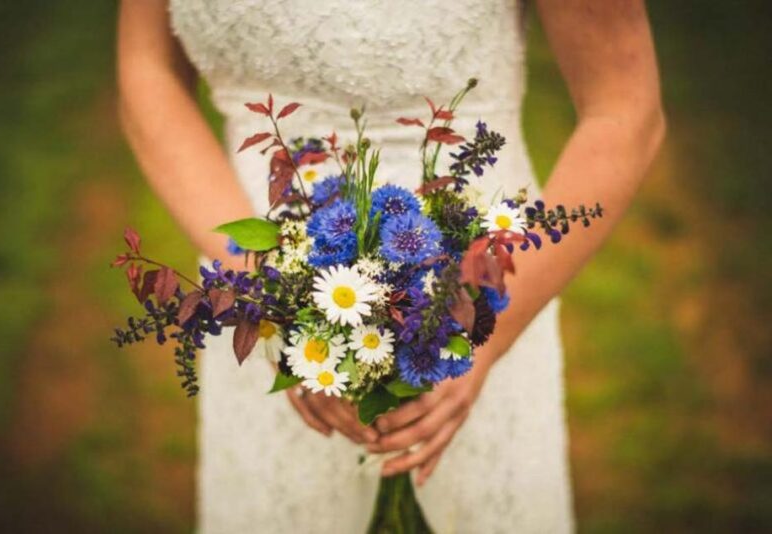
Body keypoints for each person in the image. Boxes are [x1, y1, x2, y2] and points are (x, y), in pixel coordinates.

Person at [117, 1, 665, 531]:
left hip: (470, 300)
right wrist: (269, 290)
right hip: (259, 296)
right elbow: (147, 68)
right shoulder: (266, 290)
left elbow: (623, 108)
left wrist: (485, 338)